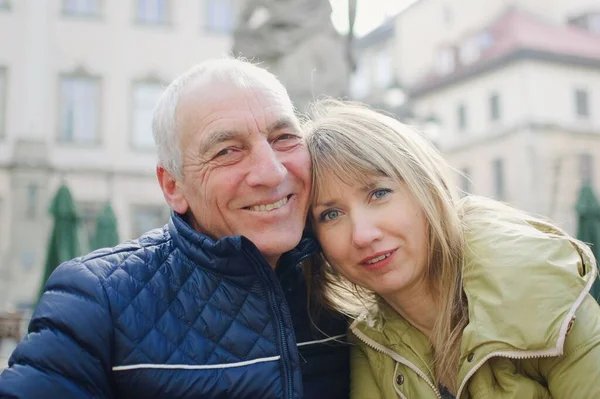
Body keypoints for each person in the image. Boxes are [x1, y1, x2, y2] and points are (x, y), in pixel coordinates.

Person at [0, 59, 349, 399]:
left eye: (284, 137)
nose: (272, 172)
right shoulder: (96, 300)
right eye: (227, 151)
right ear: (173, 187)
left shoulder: (351, 277)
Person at [302, 99, 600, 398]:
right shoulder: (368, 342)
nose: (363, 235)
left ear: (428, 189)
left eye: (379, 193)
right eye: (330, 214)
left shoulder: (536, 287)